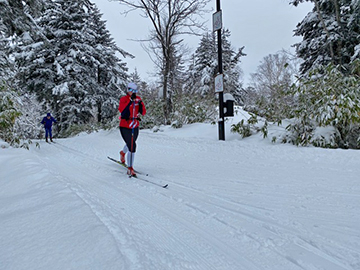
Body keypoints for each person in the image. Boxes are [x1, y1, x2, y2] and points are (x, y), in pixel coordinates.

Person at [118, 82, 146, 176]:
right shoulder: (124, 99)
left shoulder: (138, 99)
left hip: (135, 125)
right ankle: (130, 168)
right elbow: (123, 112)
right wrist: (130, 102)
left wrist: (141, 104)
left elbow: (143, 112)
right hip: (125, 126)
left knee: (131, 143)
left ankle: (123, 153)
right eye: (130, 90)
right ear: (127, 90)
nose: (132, 92)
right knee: (132, 146)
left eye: (134, 90)